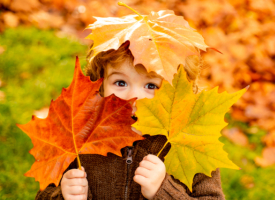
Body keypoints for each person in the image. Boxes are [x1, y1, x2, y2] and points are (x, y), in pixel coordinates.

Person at [35, 39, 225, 200]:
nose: (133, 97)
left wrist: (164, 190)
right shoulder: (78, 136)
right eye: (120, 82)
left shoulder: (190, 144)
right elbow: (44, 192)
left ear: (177, 93)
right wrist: (62, 195)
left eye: (151, 85)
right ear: (100, 84)